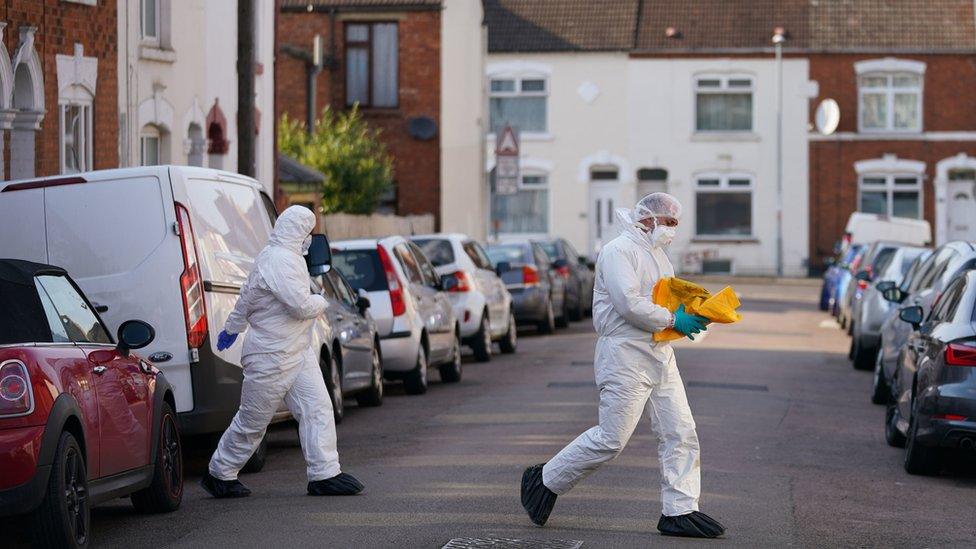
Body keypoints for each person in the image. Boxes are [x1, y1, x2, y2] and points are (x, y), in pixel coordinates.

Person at [520, 193, 725, 538]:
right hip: (624, 355)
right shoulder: (618, 251)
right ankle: (544, 479)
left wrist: (689, 314)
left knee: (680, 431)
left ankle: (680, 509)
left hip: (659, 354)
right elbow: (628, 303)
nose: (673, 230)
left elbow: (664, 297)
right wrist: (673, 318)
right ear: (649, 220)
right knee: (611, 438)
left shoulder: (658, 255)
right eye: (670, 222)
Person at [201, 205, 363, 498]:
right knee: (253, 420)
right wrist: (321, 300)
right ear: (298, 231)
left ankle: (325, 473)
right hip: (271, 356)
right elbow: (300, 306)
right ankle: (220, 472)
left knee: (317, 408)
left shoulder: (278, 257)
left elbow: (247, 298)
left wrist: (232, 327)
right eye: (308, 231)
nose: (310, 238)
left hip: (295, 351)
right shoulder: (279, 261)